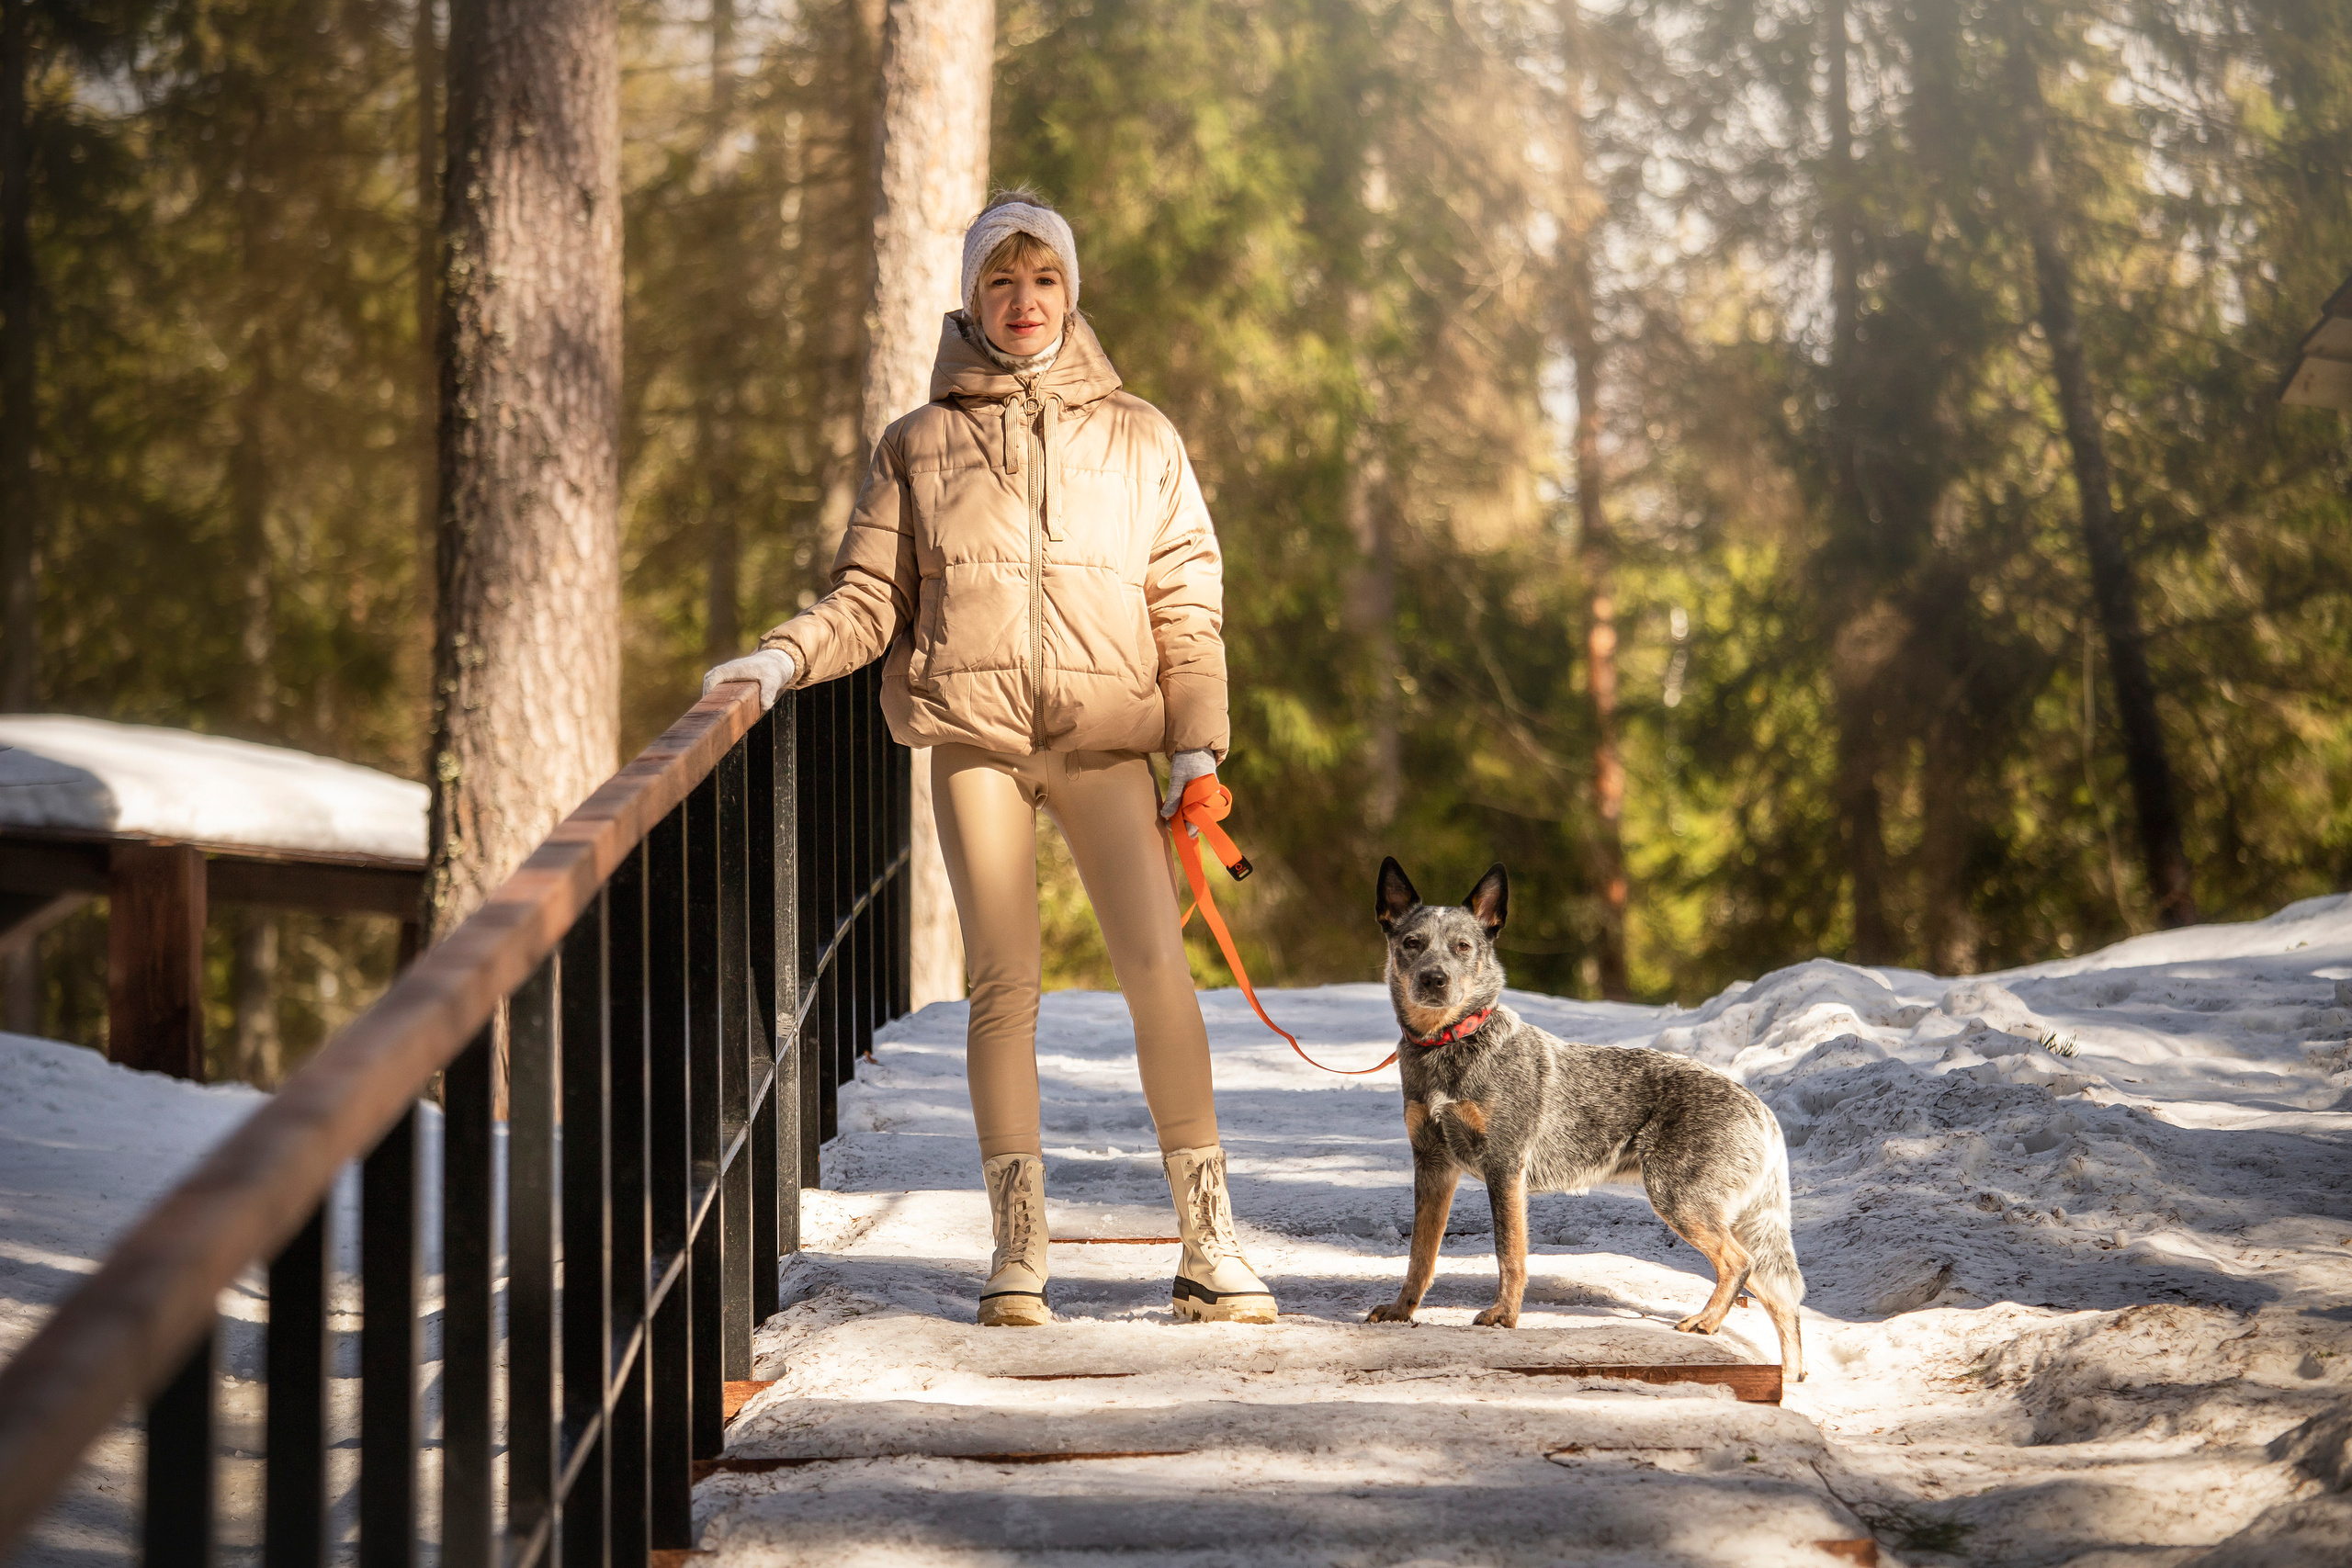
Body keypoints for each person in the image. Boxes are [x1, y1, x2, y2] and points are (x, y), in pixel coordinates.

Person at [703, 191, 1276, 1327]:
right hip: (975, 740)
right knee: (1002, 984)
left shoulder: (1141, 435)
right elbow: (869, 599)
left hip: (1107, 742)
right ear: (971, 298)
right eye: (1001, 282)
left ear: (1071, 291)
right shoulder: (916, 443)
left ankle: (1210, 1244)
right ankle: (1019, 1252)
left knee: (1157, 972)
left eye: (1044, 279)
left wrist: (1194, 747)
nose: (1024, 302)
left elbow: (1187, 601)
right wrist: (781, 658)